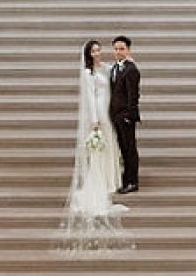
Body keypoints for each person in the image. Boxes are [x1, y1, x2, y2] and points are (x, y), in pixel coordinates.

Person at [55, 39, 130, 251]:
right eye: (94, 50)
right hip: (99, 110)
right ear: (88, 54)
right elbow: (89, 97)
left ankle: (112, 176)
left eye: (99, 49)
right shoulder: (88, 73)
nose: (97, 53)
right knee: (103, 144)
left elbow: (115, 77)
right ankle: (101, 179)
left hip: (110, 109)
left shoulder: (106, 68)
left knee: (112, 143)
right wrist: (94, 119)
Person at [109, 35, 142, 193]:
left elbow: (133, 95)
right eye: (116, 49)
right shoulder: (115, 67)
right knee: (123, 148)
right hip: (116, 116)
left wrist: (130, 115)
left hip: (126, 116)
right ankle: (126, 177)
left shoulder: (131, 69)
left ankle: (132, 182)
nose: (118, 52)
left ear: (128, 50)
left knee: (130, 149)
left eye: (122, 49)